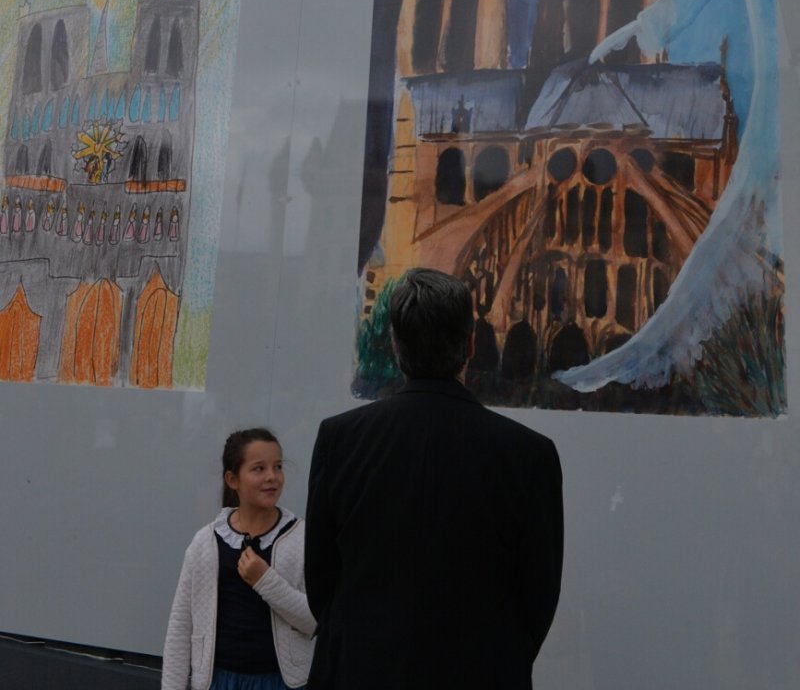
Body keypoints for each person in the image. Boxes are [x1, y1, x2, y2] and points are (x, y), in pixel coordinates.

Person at [305, 268, 564, 690]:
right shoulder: (529, 455)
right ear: (471, 345)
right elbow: (537, 599)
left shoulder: (340, 439)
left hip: (360, 669)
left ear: (394, 344)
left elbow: (322, 581)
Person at [162, 428, 316, 690]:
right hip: (218, 681)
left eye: (277, 467)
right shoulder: (206, 542)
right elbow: (180, 626)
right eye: (259, 469)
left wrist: (265, 581)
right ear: (233, 480)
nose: (272, 477)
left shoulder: (301, 539)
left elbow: (315, 620)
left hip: (282, 682)